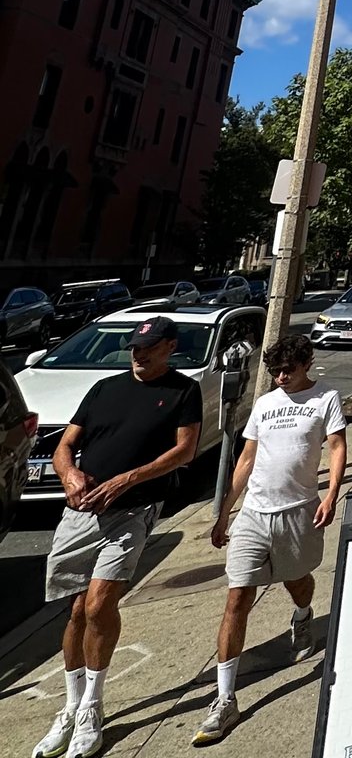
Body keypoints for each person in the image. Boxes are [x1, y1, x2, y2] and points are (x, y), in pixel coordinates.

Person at [32, 315, 202, 758]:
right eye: (134, 347)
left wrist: (128, 479)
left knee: (99, 604)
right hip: (81, 512)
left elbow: (184, 451)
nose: (138, 354)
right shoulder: (105, 389)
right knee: (75, 613)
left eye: (148, 347)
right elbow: (65, 445)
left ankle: (92, 706)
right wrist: (68, 475)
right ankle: (69, 707)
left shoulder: (183, 391)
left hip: (132, 512)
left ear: (169, 346)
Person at [193, 332, 346, 745]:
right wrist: (224, 512)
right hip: (254, 515)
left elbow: (336, 447)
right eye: (275, 370)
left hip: (299, 510)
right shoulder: (264, 404)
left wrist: (331, 494)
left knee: (297, 581)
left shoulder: (325, 398)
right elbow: (246, 459)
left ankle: (302, 614)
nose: (280, 377)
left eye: (288, 370)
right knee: (237, 596)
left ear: (306, 364)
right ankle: (225, 699)